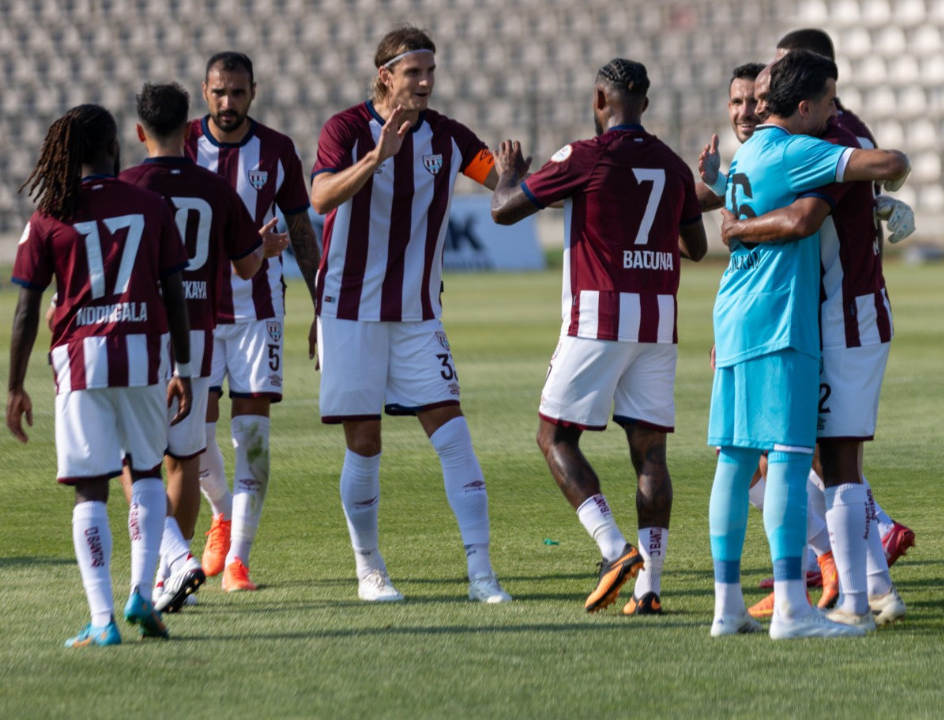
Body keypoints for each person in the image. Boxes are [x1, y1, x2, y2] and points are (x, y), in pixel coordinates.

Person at [490, 58, 708, 614]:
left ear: (599, 100)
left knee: (554, 436)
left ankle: (614, 549)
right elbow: (698, 247)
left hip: (600, 315)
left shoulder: (585, 156)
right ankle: (650, 586)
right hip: (658, 319)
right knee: (650, 455)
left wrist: (509, 174)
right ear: (647, 104)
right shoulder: (671, 163)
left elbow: (503, 211)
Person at [705, 50, 911, 639]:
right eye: (827, 102)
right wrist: (886, 181)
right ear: (804, 106)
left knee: (736, 461)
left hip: (731, 314)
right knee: (794, 463)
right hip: (780, 322)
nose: (833, 113)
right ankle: (795, 609)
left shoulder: (746, 154)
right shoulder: (802, 150)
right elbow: (888, 161)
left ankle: (727, 606)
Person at [309, 26, 512, 604]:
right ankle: (369, 569)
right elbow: (321, 198)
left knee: (453, 433)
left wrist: (525, 177)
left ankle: (481, 573)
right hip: (348, 312)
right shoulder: (345, 130)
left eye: (430, 72)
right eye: (413, 73)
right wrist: (378, 158)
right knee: (365, 440)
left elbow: (501, 184)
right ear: (385, 77)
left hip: (418, 313)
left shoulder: (448, 137)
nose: (424, 83)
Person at [7, 104, 192, 646]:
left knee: (90, 489)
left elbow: (25, 311)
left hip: (80, 365)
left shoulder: (49, 215)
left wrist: (16, 385)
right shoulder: (151, 205)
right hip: (143, 359)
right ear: (114, 148)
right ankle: (141, 592)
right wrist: (180, 366)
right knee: (149, 472)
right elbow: (174, 294)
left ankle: (103, 620)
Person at [120, 82, 289, 612]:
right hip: (195, 338)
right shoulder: (217, 189)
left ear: (140, 131)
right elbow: (245, 265)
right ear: (189, 122)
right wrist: (262, 250)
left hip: (143, 338)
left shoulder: (126, 186)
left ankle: (169, 564)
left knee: (133, 464)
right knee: (183, 462)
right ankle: (179, 570)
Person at [186, 51, 323, 592]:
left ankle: (238, 558)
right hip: (195, 307)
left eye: (237, 93)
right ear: (204, 91)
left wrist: (320, 304)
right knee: (193, 431)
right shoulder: (184, 146)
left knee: (253, 436)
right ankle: (221, 512)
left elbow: (301, 230)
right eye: (219, 92)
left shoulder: (276, 150)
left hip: (257, 311)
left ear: (253, 92)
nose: (228, 102)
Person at [696, 62, 765, 210]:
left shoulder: (786, 153)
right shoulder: (745, 156)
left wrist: (736, 228)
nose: (744, 112)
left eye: (754, 102)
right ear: (729, 108)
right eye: (737, 102)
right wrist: (716, 182)